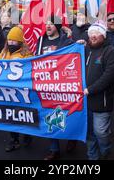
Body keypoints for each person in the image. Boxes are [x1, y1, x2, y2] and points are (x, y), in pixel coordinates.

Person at [35, 17, 74, 160]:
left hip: (63, 84)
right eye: (46, 24)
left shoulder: (66, 41)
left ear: (57, 26)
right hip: (46, 85)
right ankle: (54, 149)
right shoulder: (40, 41)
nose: (48, 26)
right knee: (49, 115)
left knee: (67, 114)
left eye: (51, 24)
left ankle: (72, 138)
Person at [84, 21, 114, 160]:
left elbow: (108, 77)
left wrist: (90, 90)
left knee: (100, 132)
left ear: (103, 35)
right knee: (89, 132)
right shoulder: (85, 50)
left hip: (101, 101)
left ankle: (105, 149)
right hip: (85, 101)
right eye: (91, 33)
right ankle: (92, 157)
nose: (93, 36)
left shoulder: (110, 52)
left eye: (96, 33)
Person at [0, 26, 34, 152]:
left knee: (23, 115)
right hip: (6, 91)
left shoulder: (27, 55)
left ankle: (28, 135)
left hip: (21, 92)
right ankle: (14, 139)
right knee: (10, 116)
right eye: (9, 40)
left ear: (20, 41)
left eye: (14, 40)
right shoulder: (3, 53)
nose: (11, 43)